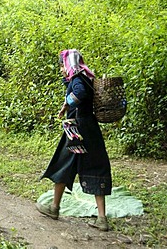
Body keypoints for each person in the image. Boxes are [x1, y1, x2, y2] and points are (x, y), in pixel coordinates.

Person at [36, 49, 112, 231]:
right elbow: (80, 93)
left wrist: (69, 102)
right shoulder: (86, 77)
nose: (62, 69)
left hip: (76, 130)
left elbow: (79, 94)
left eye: (63, 65)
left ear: (69, 64)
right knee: (95, 166)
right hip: (90, 129)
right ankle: (101, 218)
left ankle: (54, 208)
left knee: (63, 164)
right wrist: (65, 106)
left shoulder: (78, 79)